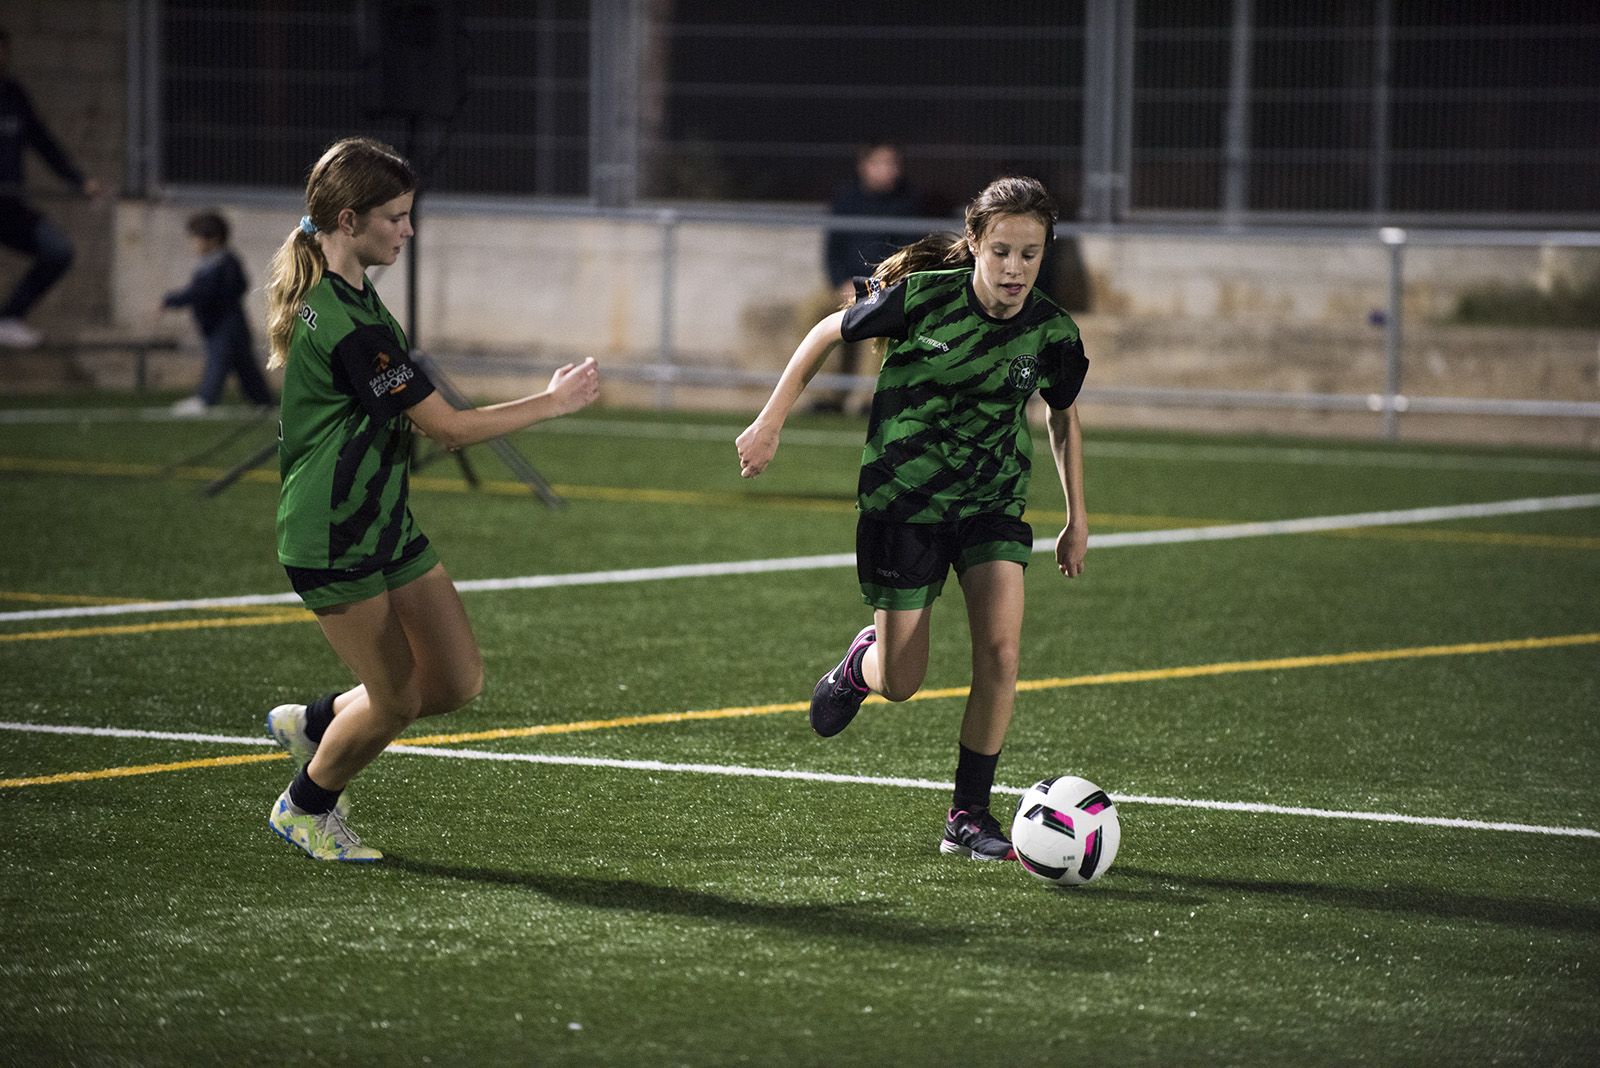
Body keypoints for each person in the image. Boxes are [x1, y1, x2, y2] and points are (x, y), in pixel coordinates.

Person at [262, 136, 600, 862]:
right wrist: (553, 402)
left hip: (381, 518)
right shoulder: (348, 322)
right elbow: (447, 428)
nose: (408, 231)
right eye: (396, 217)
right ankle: (306, 806)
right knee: (396, 701)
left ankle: (319, 720)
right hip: (333, 533)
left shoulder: (345, 292)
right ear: (349, 221)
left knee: (454, 680)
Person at [736, 175, 1089, 862]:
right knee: (903, 682)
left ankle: (968, 815)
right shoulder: (922, 300)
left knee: (1002, 652)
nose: (1016, 268)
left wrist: (1077, 518)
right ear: (975, 242)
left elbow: (1066, 420)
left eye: (1031, 253)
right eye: (1002, 252)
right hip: (903, 505)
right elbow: (824, 333)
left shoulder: (1052, 331)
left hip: (991, 504)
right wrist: (769, 421)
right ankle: (860, 665)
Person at [0, 26, 103, 348]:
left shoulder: (13, 94)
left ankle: (8, 318)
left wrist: (79, 181)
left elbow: (43, 143)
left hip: (9, 205)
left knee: (58, 251)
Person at [815, 141, 923, 413]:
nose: (889, 170)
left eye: (893, 164)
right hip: (843, 285)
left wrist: (875, 285)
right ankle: (828, 395)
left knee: (878, 318)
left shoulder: (907, 202)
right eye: (881, 163)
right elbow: (832, 250)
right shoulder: (846, 199)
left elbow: (907, 254)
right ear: (864, 166)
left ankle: (867, 400)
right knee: (812, 311)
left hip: (883, 285)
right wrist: (841, 282)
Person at [159, 210, 275, 413]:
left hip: (227, 325)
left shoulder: (225, 263)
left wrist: (172, 300)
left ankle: (206, 398)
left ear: (212, 239)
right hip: (220, 325)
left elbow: (207, 292)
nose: (193, 243)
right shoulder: (210, 264)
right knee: (244, 365)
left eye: (197, 238)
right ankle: (263, 401)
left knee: (220, 360)